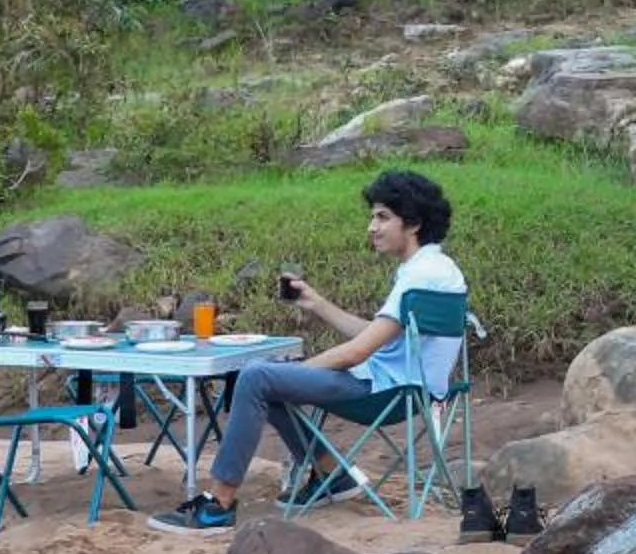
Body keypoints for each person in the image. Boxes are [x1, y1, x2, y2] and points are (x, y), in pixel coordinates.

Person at [150, 168, 466, 535]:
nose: (371, 227)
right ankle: (332, 477)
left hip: (387, 394)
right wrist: (317, 304)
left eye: (382, 217)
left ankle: (218, 505)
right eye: (372, 217)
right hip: (409, 389)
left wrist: (298, 375)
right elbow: (379, 336)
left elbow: (356, 353)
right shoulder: (439, 268)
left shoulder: (420, 275)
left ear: (413, 223)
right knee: (273, 376)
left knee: (258, 376)